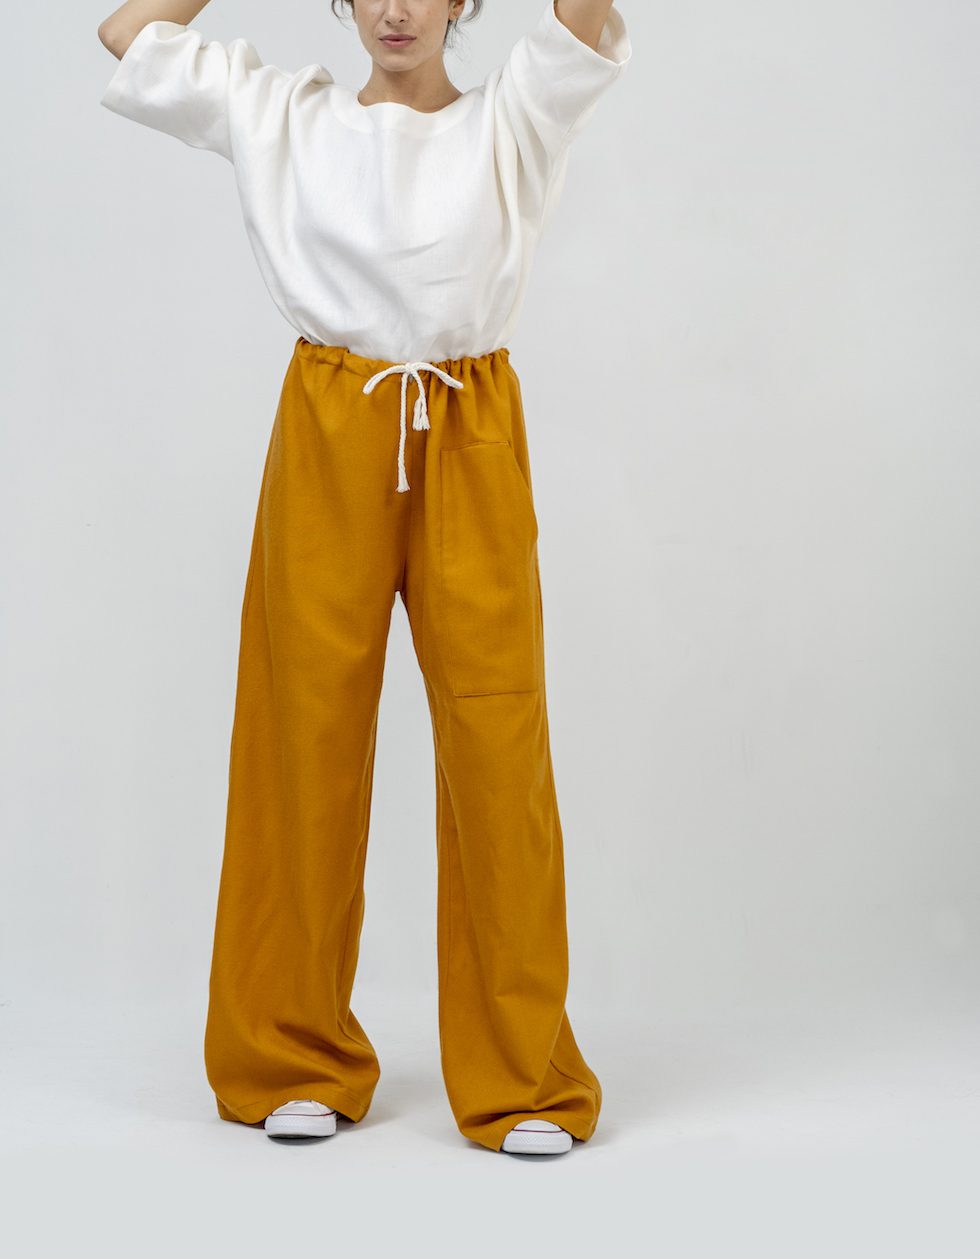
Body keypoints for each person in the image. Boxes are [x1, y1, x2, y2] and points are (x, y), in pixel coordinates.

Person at [98, 0, 632, 1156]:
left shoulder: (512, 117)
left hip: (467, 423)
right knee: (302, 733)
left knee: (497, 742)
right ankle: (292, 1052)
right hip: (332, 418)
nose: (396, 10)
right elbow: (127, 35)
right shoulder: (283, 113)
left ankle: (523, 1078)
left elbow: (585, 23)